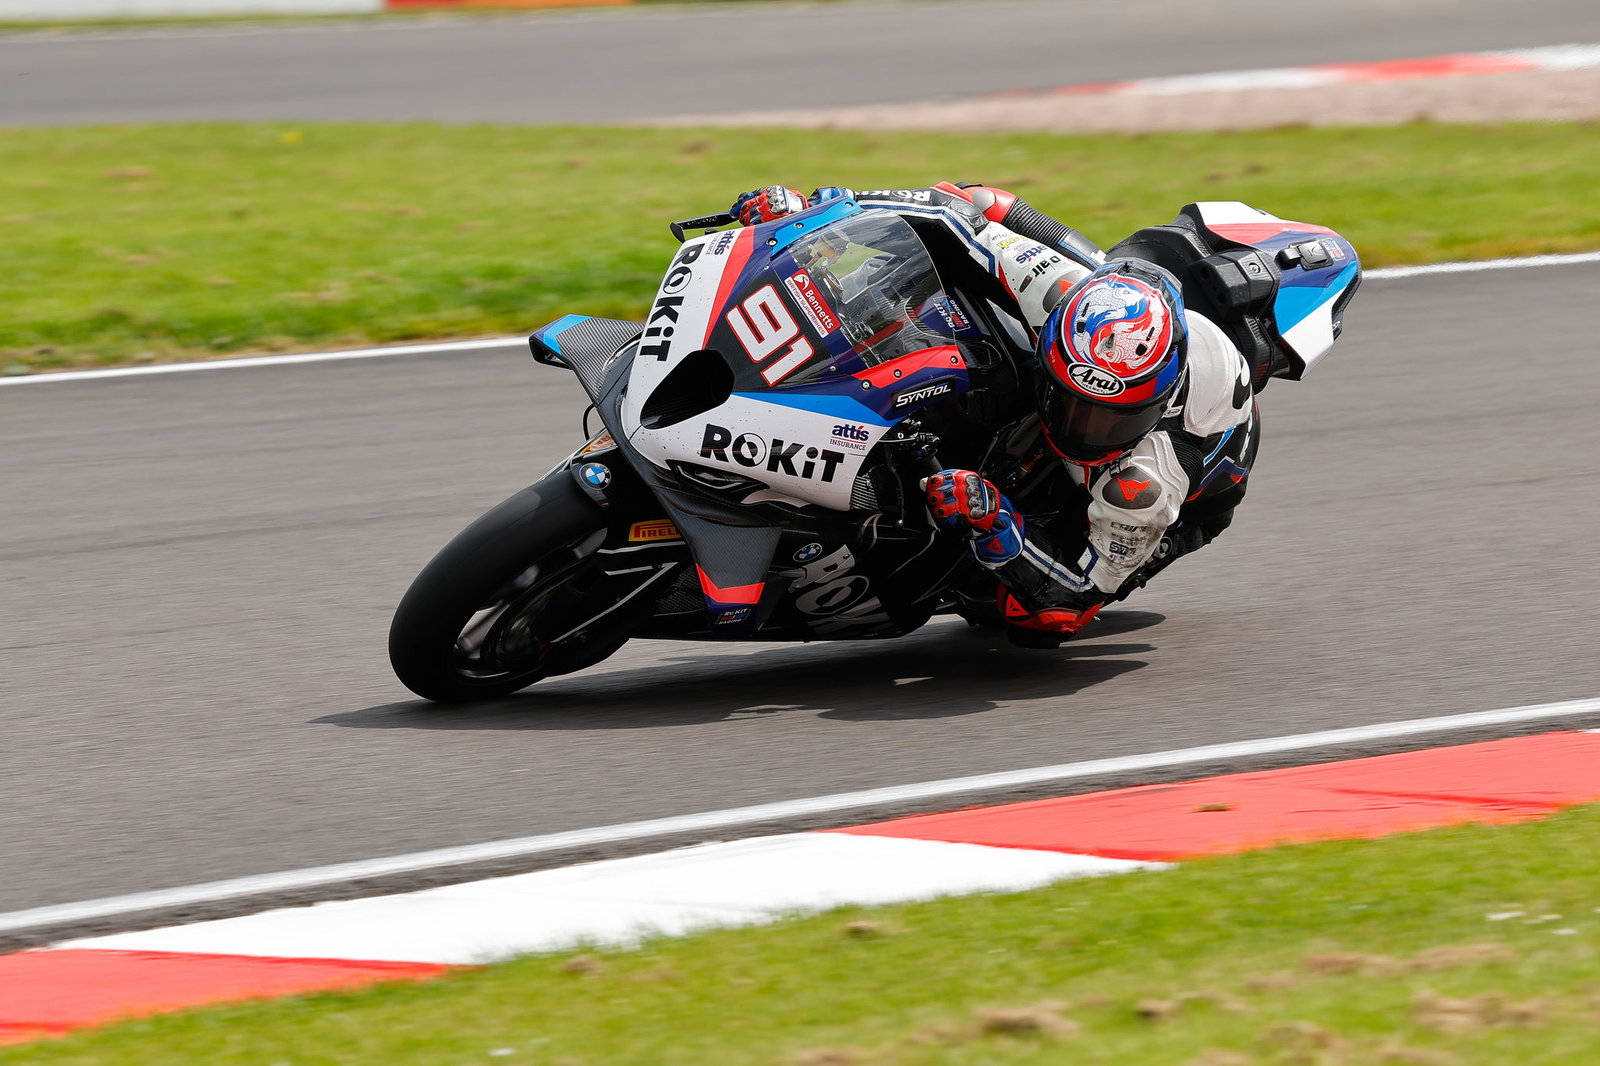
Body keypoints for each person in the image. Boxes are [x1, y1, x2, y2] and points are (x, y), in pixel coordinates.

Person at [731, 183, 1259, 646]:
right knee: (974, 231)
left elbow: (1074, 598)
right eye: (1071, 404)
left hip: (1190, 502)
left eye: (1108, 420)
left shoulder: (1144, 485)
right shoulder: (1058, 292)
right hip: (1095, 306)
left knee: (1021, 616)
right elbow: (953, 208)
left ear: (1154, 404)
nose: (1082, 429)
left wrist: (998, 521)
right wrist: (819, 211)